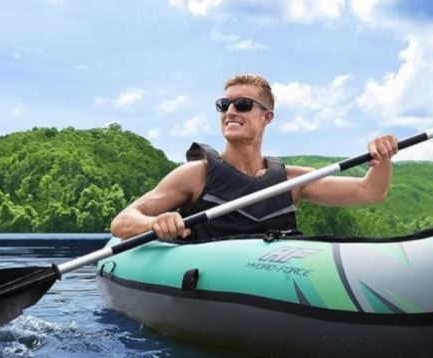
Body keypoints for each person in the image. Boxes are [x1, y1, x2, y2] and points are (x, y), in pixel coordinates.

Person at [110, 74, 398, 241]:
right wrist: (154, 223)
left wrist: (382, 155)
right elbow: (122, 221)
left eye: (244, 104)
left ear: (267, 117)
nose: (231, 110)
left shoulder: (291, 180)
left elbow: (370, 191)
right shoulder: (196, 174)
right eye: (224, 105)